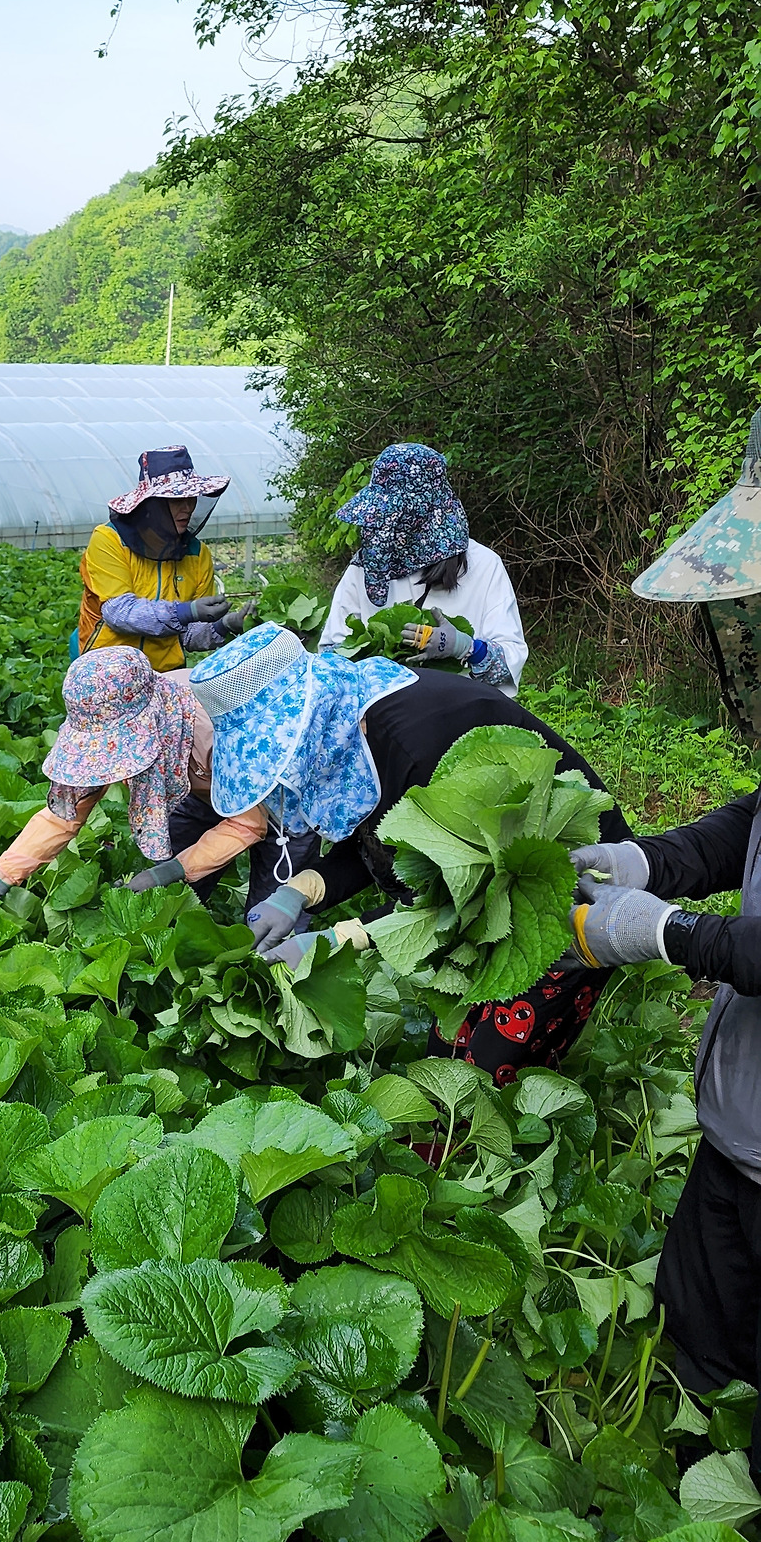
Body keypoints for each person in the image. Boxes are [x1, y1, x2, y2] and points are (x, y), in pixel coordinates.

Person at [189, 622, 633, 1083]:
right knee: (444, 1057)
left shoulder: (415, 746)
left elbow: (447, 899)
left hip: (560, 883)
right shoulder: (345, 732)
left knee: (489, 1067)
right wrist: (299, 892)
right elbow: (378, 849)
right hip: (485, 895)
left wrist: (336, 939)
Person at [569, 770, 761, 1480]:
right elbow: (746, 828)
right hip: (737, 1137)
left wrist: (667, 931)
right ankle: (695, 1509)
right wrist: (641, 860)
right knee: (698, 1341)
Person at [0, 646, 305, 914]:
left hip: (282, 803)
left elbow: (249, 823)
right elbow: (65, 814)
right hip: (194, 789)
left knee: (268, 916)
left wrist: (173, 870)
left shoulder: (213, 730)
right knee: (167, 905)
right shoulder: (121, 711)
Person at [318, 443, 528, 696]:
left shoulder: (483, 565)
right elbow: (331, 649)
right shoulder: (367, 564)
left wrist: (467, 648)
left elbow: (510, 661)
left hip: (461, 710)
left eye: (397, 518)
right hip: (380, 714)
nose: (387, 529)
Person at [75, 445, 246, 673]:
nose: (187, 507)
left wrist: (225, 625)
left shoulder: (196, 554)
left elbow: (189, 636)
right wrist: (187, 611)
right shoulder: (109, 540)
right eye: (176, 500)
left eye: (191, 498)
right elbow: (120, 613)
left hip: (164, 674)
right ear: (152, 504)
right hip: (107, 672)